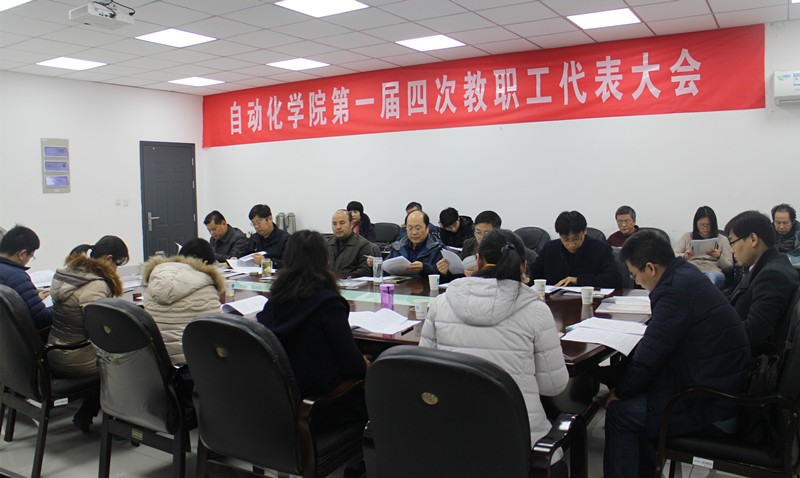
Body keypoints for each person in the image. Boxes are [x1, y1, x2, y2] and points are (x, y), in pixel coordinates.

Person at [603, 230, 750, 478]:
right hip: (718, 385)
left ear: (651, 268)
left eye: (635, 275)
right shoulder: (684, 273)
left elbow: (650, 357)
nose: (636, 282)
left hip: (714, 405)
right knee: (636, 393)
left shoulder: (673, 291)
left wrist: (621, 392)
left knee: (620, 413)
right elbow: (656, 348)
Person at [420, 229, 569, 449]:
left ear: (478, 261)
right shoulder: (537, 310)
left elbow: (426, 374)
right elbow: (553, 386)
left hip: (451, 435)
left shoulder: (442, 303)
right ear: (523, 266)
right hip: (515, 441)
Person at [256, 230, 367, 431]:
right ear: (325, 260)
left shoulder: (273, 302)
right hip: (322, 405)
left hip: (280, 404)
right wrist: (367, 362)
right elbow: (353, 366)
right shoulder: (328, 304)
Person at [48, 235, 128, 432]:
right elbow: (101, 329)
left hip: (53, 352)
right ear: (108, 258)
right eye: (117, 264)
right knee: (127, 361)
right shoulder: (96, 284)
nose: (116, 270)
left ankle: (89, 413)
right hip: (76, 358)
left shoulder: (68, 274)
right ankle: (122, 424)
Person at [725, 211, 800, 355]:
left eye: (733, 242)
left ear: (753, 239)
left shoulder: (772, 275)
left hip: (743, 356)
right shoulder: (768, 265)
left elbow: (755, 332)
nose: (732, 250)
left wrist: (713, 331)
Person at [141, 238, 224, 365]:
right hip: (192, 362)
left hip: (156, 360)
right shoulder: (206, 286)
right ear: (205, 263)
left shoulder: (155, 277)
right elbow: (217, 330)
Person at [532, 211, 621, 287]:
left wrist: (578, 280)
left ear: (585, 231)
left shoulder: (600, 249)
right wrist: (527, 279)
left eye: (576, 239)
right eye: (566, 239)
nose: (571, 245)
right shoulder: (550, 249)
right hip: (554, 300)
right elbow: (534, 274)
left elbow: (615, 279)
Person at [0, 225, 53, 334]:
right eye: (30, 257)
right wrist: (62, 307)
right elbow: (43, 319)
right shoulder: (16, 276)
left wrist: (34, 300)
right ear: (22, 254)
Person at [674, 206, 732, 289]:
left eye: (708, 225)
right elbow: (673, 256)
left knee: (709, 278)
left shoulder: (722, 240)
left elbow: (729, 267)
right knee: (682, 277)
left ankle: (704, 294)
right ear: (696, 224)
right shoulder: (687, 237)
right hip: (691, 270)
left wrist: (719, 257)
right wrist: (684, 256)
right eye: (702, 225)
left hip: (713, 272)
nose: (705, 228)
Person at [375, 210, 444, 278]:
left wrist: (424, 268)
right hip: (400, 284)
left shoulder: (438, 248)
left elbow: (441, 276)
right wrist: (377, 264)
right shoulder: (398, 246)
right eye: (410, 228)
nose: (414, 233)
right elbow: (385, 269)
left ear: (427, 228)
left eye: (418, 228)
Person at [328, 209, 372, 278]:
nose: (338, 227)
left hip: (351, 283)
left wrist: (342, 277)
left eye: (342, 223)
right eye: (334, 224)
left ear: (351, 224)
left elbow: (364, 271)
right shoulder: (327, 244)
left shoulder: (363, 245)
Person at [247, 204, 290, 269]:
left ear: (270, 219)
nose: (256, 227)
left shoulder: (285, 238)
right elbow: (245, 256)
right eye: (253, 223)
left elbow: (288, 264)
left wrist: (265, 261)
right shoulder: (254, 238)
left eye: (259, 222)